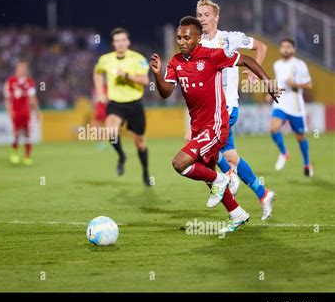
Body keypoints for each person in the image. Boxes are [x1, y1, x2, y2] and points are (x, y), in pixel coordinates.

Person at [149, 17, 282, 233]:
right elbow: (165, 93)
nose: (181, 41)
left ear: (198, 39)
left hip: (216, 126)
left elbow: (247, 60)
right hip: (198, 128)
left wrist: (268, 83)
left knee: (179, 163)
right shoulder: (175, 62)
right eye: (178, 37)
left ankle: (224, 177)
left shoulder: (212, 56)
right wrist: (157, 74)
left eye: (186, 37)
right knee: (205, 173)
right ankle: (237, 214)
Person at [196, 0, 275, 220]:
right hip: (208, 109)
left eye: (207, 15)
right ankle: (264, 194)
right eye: (200, 15)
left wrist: (252, 71)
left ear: (216, 17)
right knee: (230, 156)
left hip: (226, 107)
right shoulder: (197, 44)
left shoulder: (230, 38)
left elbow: (261, 46)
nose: (203, 19)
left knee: (203, 149)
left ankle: (229, 177)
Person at [93, 28, 151, 186]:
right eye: (117, 40)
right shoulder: (105, 59)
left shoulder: (138, 58)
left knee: (139, 141)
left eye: (123, 40)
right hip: (116, 103)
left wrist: (126, 75)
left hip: (134, 103)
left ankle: (145, 172)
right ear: (113, 43)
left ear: (128, 42)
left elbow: (145, 80)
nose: (120, 43)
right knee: (110, 130)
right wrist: (99, 92)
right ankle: (121, 155)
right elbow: (97, 72)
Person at [270, 38, 313, 177]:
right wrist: (270, 93)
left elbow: (309, 85)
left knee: (300, 137)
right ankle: (284, 152)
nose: (285, 49)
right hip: (281, 100)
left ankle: (307, 163)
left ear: (293, 49)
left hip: (295, 104)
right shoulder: (277, 64)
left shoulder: (300, 64)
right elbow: (278, 81)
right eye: (283, 47)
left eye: (288, 47)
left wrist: (294, 84)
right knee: (273, 128)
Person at [4, 60, 39, 165]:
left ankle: (27, 156)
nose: (22, 70)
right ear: (17, 69)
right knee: (16, 134)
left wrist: (37, 111)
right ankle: (14, 153)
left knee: (28, 133)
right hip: (16, 112)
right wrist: (9, 112)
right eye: (20, 68)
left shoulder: (30, 82)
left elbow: (32, 98)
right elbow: (7, 99)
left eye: (24, 68)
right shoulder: (10, 82)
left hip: (26, 112)